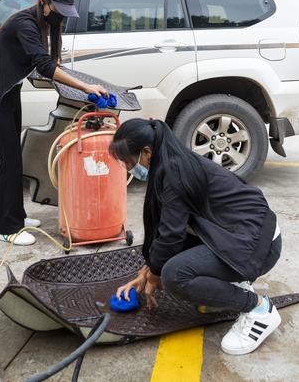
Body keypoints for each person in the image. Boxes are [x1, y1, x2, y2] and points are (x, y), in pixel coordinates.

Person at [111, 118, 282, 355]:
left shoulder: (174, 172)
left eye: (128, 161)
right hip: (236, 233)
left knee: (174, 276)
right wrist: (146, 270)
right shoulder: (171, 163)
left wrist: (155, 272)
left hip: (258, 244)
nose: (129, 168)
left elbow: (171, 236)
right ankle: (234, 285)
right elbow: (164, 232)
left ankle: (258, 309)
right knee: (165, 260)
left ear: (147, 152)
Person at [0, 0, 108, 246]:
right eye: (58, 8)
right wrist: (84, 87)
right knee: (10, 159)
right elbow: (45, 66)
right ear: (43, 1)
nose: (60, 15)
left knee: (16, 157)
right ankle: (8, 227)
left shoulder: (44, 21)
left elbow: (43, 66)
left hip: (9, 94)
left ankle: (17, 215)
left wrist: (73, 84)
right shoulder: (24, 23)